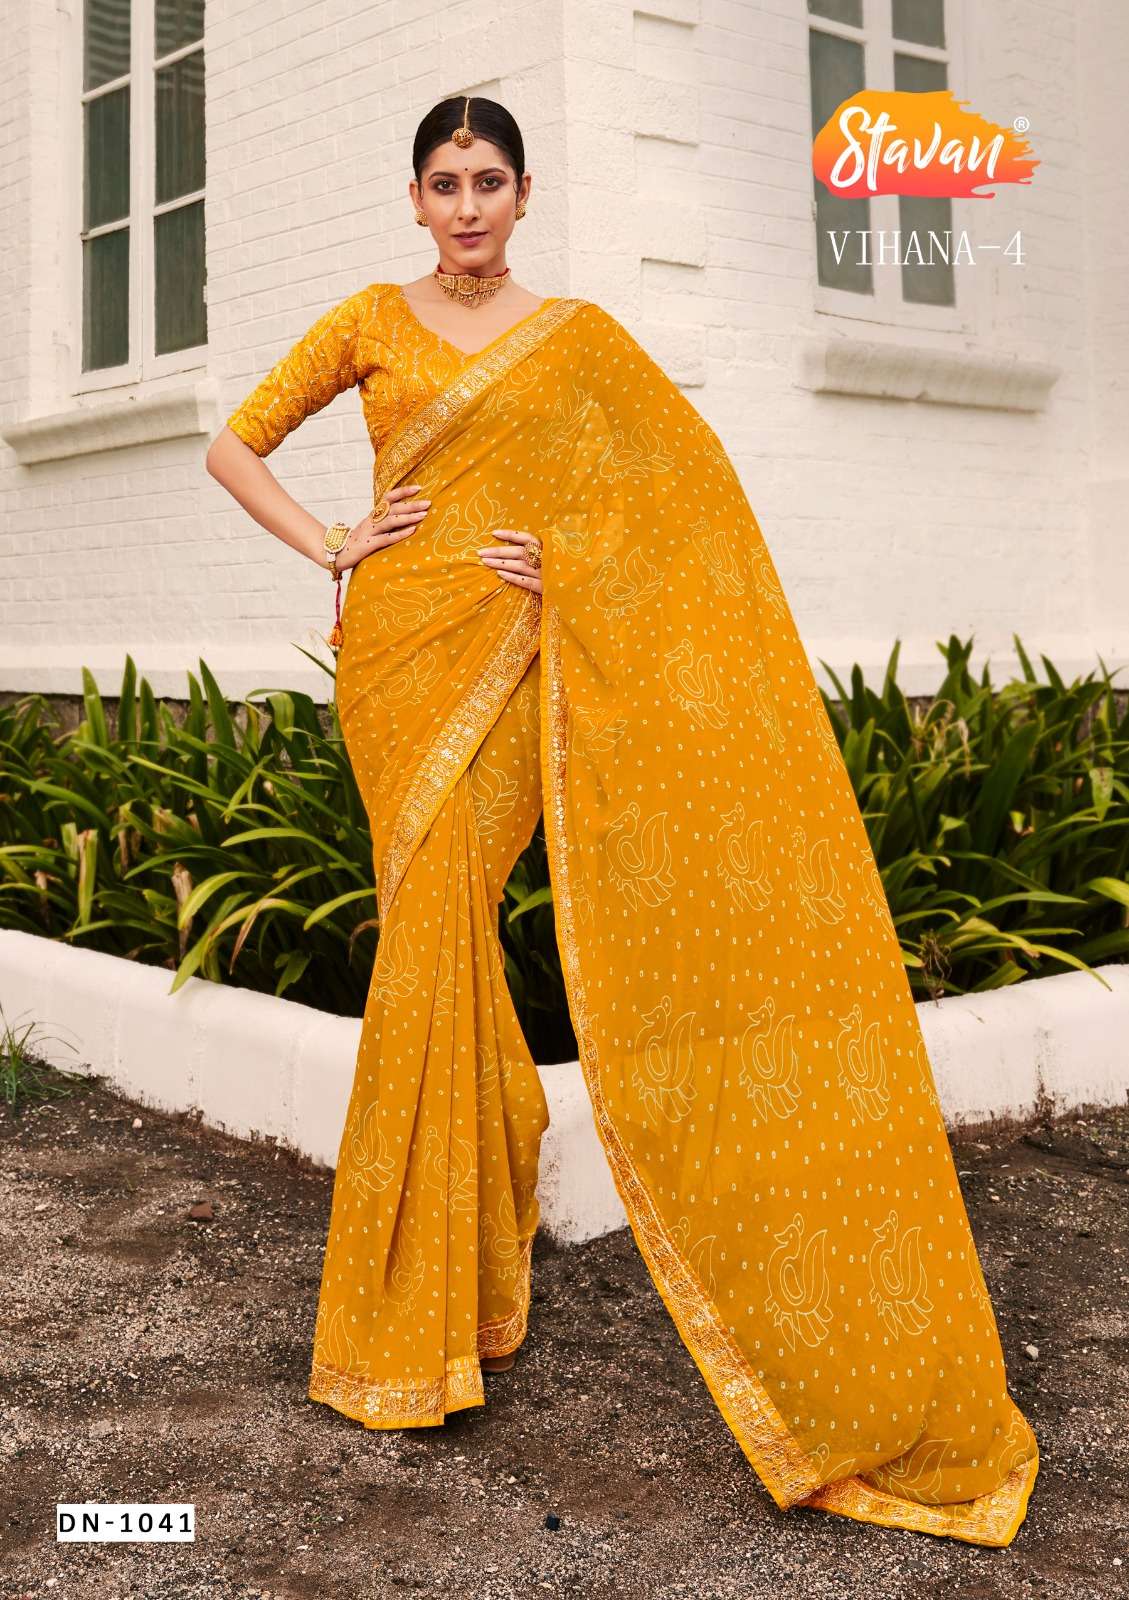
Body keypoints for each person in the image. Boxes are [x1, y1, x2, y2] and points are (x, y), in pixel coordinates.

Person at [206, 94, 1039, 1547]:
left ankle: (424, 1313)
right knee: (432, 941)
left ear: (525, 194)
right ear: (415, 199)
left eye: (489, 182)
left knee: (441, 940)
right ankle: (433, 1311)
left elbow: (680, 496)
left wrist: (575, 562)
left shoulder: (579, 339)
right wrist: (336, 542)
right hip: (398, 662)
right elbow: (233, 445)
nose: (467, 207)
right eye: (443, 184)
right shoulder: (367, 320)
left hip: (514, 656)